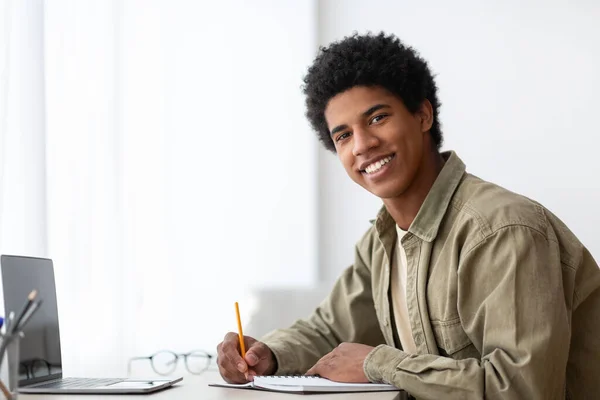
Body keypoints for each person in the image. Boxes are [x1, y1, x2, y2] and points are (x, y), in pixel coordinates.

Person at [216, 32, 600, 399]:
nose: (363, 144)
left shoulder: (501, 231)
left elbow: (520, 390)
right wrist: (269, 353)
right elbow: (330, 329)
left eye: (377, 118)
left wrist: (378, 363)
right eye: (343, 135)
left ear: (422, 116)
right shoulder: (382, 240)